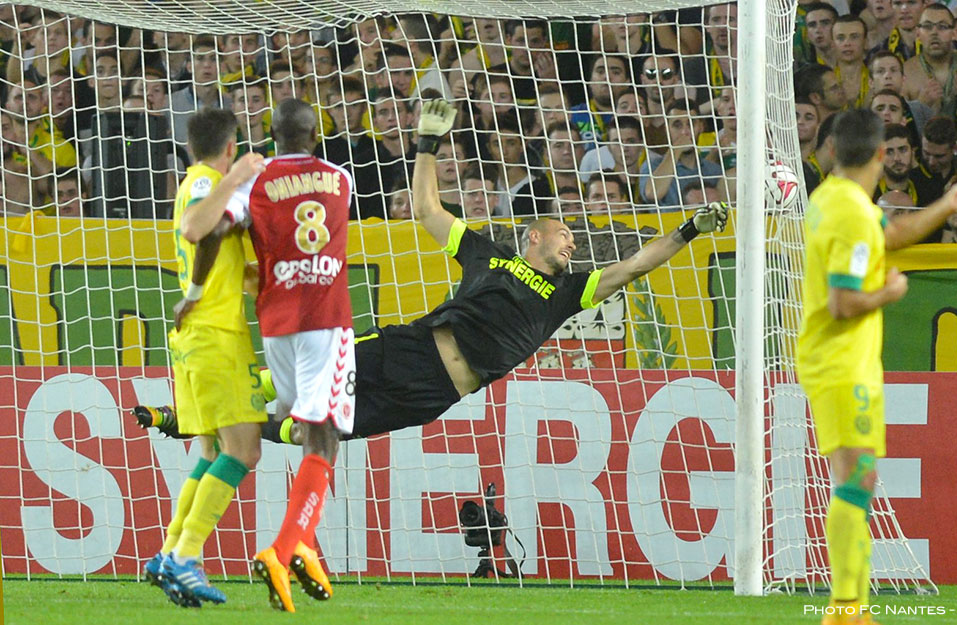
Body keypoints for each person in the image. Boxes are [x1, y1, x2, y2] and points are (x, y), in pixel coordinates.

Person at [137, 99, 728, 456]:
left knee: (313, 433)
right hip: (412, 347)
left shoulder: (570, 293)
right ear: (533, 236)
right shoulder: (488, 255)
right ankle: (184, 414)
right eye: (564, 234)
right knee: (299, 384)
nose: (573, 243)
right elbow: (426, 209)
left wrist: (689, 230)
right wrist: (426, 144)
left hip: (436, 394)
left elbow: (636, 264)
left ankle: (197, 425)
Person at [797, 108, 957, 625]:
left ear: (831, 150)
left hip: (835, 358)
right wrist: (889, 292)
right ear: (881, 153)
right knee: (855, 477)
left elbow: (892, 234)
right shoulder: (852, 216)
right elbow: (842, 303)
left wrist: (946, 204)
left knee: (858, 476)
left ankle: (851, 606)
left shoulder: (831, 198)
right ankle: (846, 609)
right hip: (840, 361)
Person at [221, 98, 355, 614]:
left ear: (270, 133)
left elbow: (225, 227)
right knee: (324, 434)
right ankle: (283, 550)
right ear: (315, 134)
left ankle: (304, 545)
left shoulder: (255, 181)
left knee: (302, 429)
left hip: (275, 323)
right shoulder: (340, 179)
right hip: (326, 318)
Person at [147, 109, 268, 608]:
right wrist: (235, 177)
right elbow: (197, 227)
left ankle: (169, 552)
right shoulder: (204, 183)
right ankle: (185, 557)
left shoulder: (200, 184)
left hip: (200, 336)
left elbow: (215, 252)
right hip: (215, 337)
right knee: (244, 451)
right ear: (230, 147)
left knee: (213, 452)